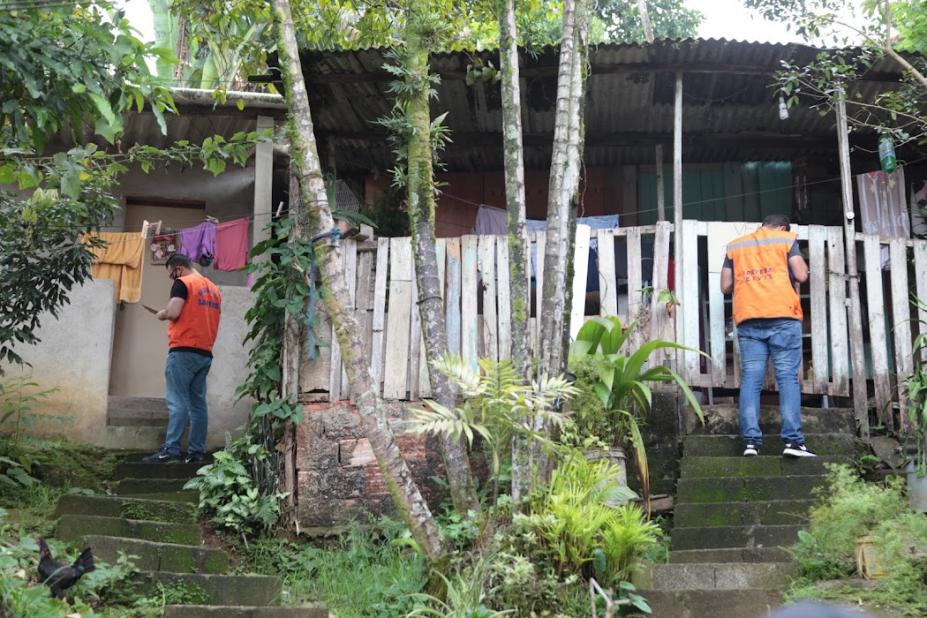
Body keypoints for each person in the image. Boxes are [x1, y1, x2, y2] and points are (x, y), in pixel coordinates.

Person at [720, 214, 816, 458]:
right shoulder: (786, 240)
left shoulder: (737, 246)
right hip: (783, 316)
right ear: (783, 227)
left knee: (751, 381)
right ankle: (793, 442)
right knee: (787, 379)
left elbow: (725, 286)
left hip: (749, 318)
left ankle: (750, 443)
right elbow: (802, 274)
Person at [142, 253, 222, 464]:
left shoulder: (182, 283)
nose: (172, 279)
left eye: (171, 274)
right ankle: (196, 452)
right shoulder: (213, 289)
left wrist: (162, 314)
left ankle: (171, 450)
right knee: (198, 404)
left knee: (177, 401)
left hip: (183, 350)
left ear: (178, 269)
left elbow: (174, 312)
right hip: (204, 353)